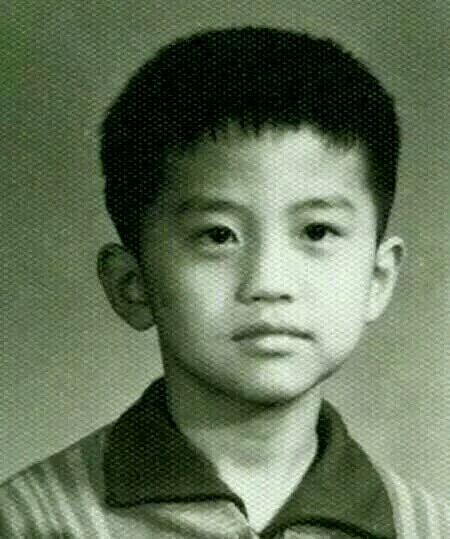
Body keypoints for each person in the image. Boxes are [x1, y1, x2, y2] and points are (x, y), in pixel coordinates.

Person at [1, 26, 448, 538]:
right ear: (132, 284)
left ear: (377, 278)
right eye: (218, 236)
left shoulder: (426, 527)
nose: (269, 282)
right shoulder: (31, 521)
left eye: (317, 231)